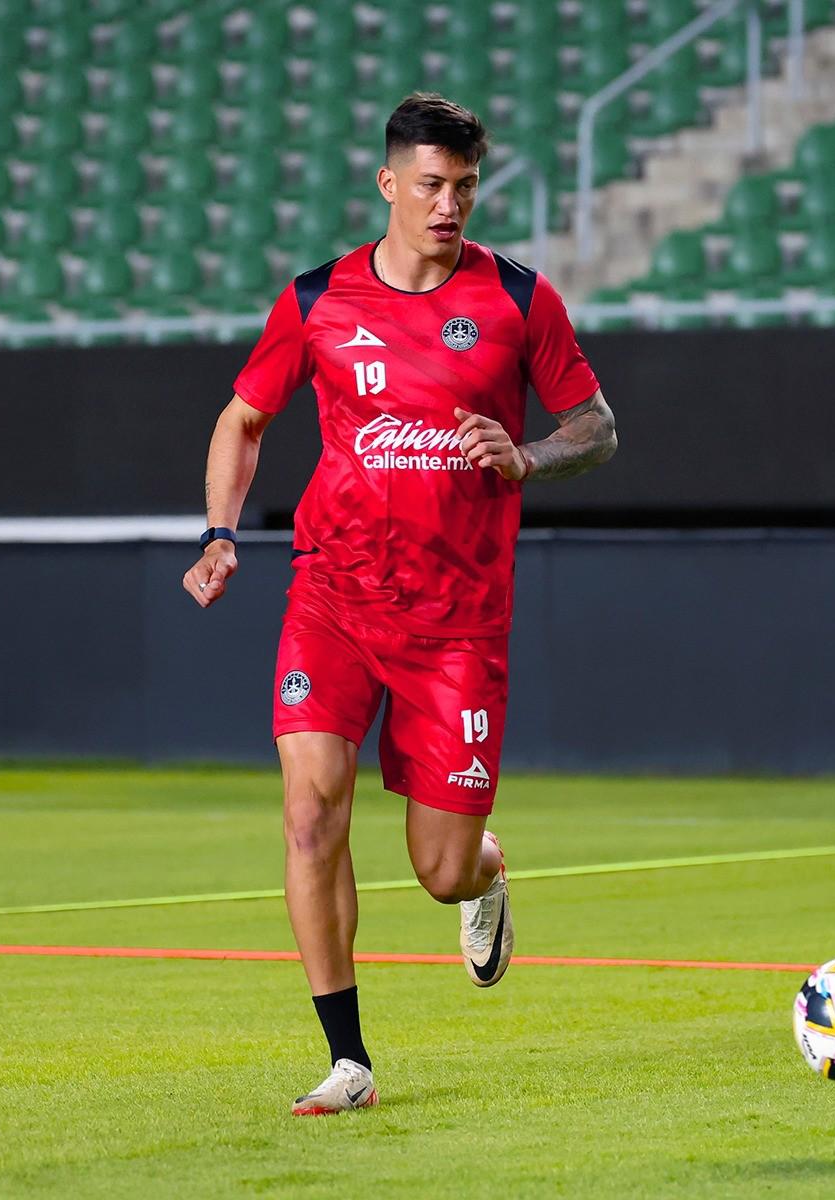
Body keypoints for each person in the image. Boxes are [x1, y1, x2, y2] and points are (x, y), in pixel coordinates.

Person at [182, 94, 617, 1115]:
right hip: (332, 595)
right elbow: (243, 421)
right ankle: (349, 1060)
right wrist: (218, 533)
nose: (450, 204)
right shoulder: (318, 300)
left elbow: (595, 425)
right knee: (308, 813)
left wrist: (528, 455)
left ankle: (487, 874)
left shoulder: (518, 299)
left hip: (458, 625)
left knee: (438, 869)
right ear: (389, 185)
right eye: (430, 184)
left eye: (465, 185)